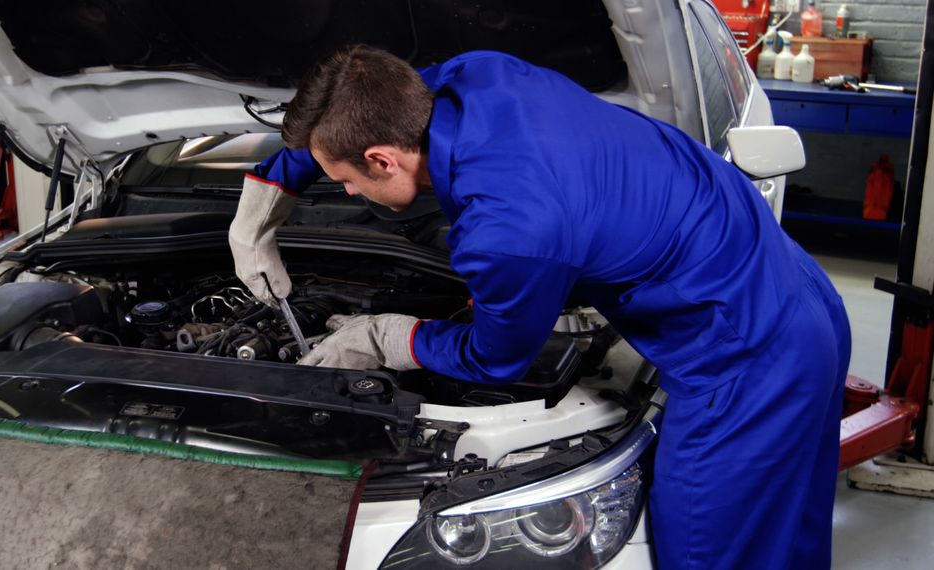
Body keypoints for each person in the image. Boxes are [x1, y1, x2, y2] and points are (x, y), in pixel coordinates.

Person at [228, 46, 850, 569]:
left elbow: (496, 358)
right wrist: (271, 184)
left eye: (347, 181)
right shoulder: (478, 74)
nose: (349, 192)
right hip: (797, 291)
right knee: (787, 535)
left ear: (382, 159)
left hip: (746, 357)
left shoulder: (508, 231)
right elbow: (359, 113)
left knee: (707, 543)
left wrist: (390, 337)